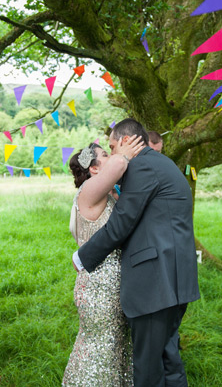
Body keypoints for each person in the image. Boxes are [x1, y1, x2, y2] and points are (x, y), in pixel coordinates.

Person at [73, 118, 200, 387]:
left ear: (126, 141)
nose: (113, 155)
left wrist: (82, 257)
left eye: (111, 147)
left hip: (156, 282)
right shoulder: (160, 163)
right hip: (172, 278)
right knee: (167, 357)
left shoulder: (142, 166)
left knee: (148, 367)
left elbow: (121, 223)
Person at [63, 135, 145, 386]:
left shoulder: (107, 194)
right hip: (98, 287)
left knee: (116, 347)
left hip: (114, 286)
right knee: (100, 347)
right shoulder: (88, 190)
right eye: (106, 154)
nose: (113, 157)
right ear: (94, 168)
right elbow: (120, 165)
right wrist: (126, 150)